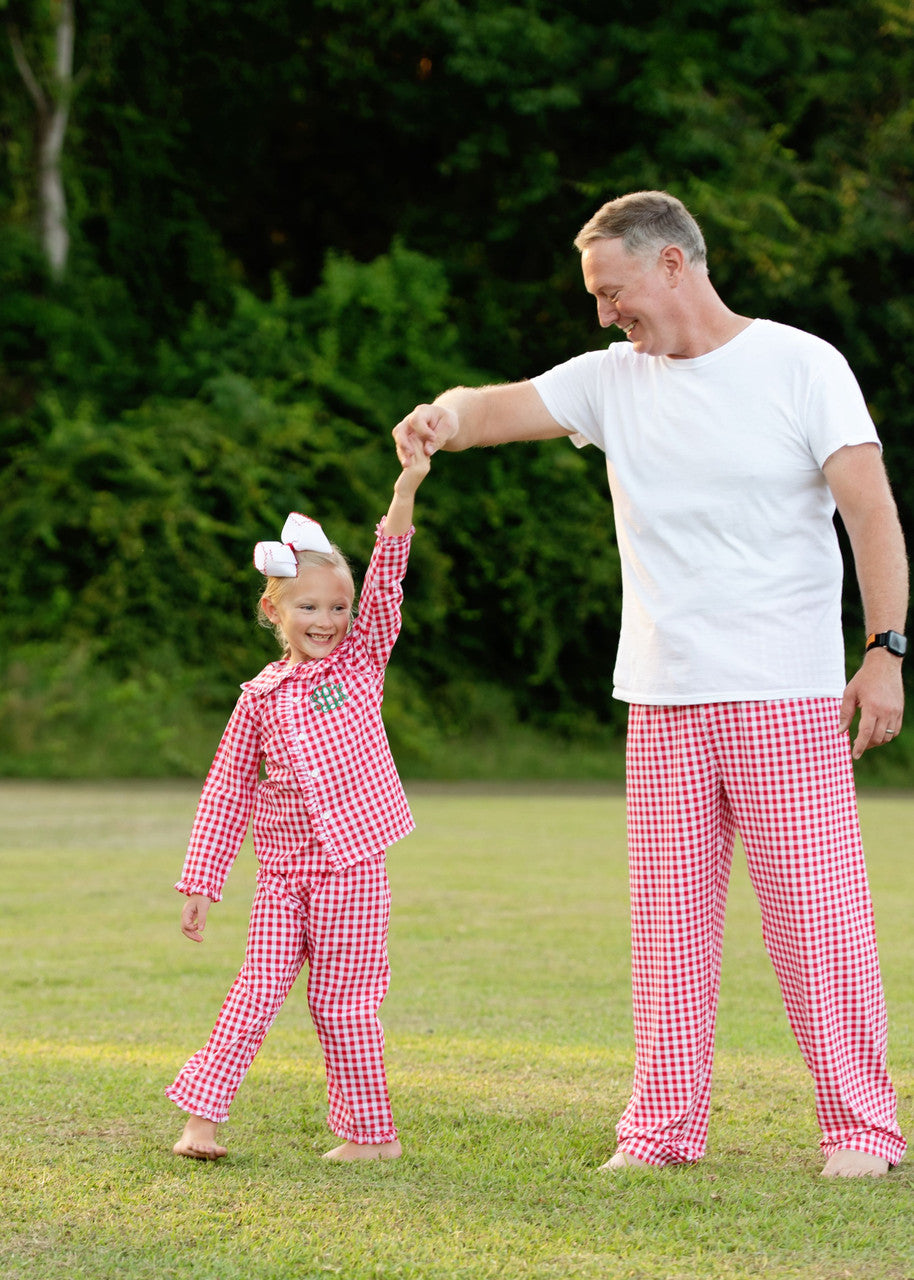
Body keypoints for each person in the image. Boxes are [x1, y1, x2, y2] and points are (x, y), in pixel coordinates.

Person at [393, 190, 908, 1178]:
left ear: (671, 265)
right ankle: (661, 1131)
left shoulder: (802, 367)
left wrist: (883, 649)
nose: (601, 314)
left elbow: (870, 517)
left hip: (782, 695)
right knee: (668, 932)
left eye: (610, 291)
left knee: (816, 922)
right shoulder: (608, 382)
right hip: (661, 700)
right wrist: (439, 417)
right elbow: (491, 406)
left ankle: (859, 1129)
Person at [166, 437, 430, 1161]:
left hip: (352, 872)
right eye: (309, 606)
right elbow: (225, 794)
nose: (326, 619)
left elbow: (387, 583)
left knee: (342, 1006)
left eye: (336, 607)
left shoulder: (362, 662)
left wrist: (404, 492)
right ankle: (201, 1123)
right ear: (274, 609)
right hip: (283, 879)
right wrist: (202, 884)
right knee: (255, 992)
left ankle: (370, 1138)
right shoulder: (257, 699)